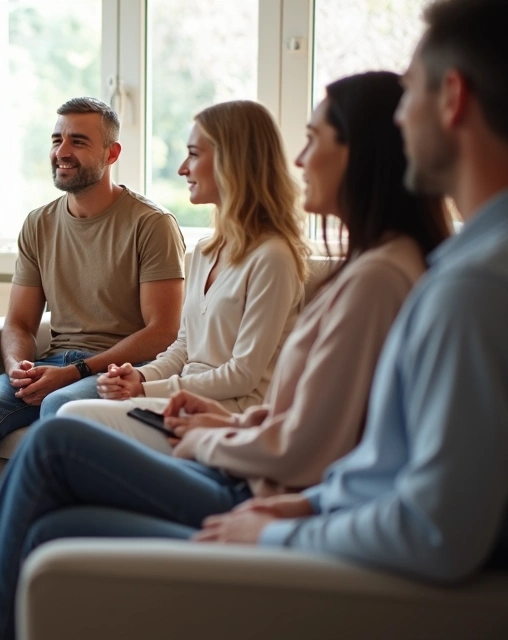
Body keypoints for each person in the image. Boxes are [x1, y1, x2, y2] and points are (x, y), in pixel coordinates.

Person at [0, 69, 454, 640]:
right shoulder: (343, 266)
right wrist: (174, 398)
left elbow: (308, 443)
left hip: (253, 485)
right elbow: (309, 418)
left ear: (360, 154)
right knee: (45, 526)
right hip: (250, 461)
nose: (301, 160)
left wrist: (210, 434)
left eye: (314, 140)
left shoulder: (373, 278)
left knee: (58, 434)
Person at [195, 0, 508, 578]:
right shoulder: (458, 269)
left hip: (355, 576)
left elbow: (436, 529)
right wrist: (314, 503)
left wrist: (283, 534)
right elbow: (390, 467)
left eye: (409, 92)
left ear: (453, 98)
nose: (396, 119)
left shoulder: (469, 289)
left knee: (58, 480)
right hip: (326, 510)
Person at [0, 97, 187, 623]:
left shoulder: (151, 223)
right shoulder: (39, 223)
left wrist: (72, 374)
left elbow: (161, 331)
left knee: (59, 415)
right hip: (56, 361)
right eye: (57, 139)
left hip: (115, 372)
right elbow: (20, 324)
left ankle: (28, 573)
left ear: (112, 152)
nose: (62, 151)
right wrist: (16, 366)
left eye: (78, 140)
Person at [58, 100, 310, 454]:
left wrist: (148, 390)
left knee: (69, 419)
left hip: (229, 416)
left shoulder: (273, 258)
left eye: (193, 154)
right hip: (183, 403)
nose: (182, 169)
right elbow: (184, 347)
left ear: (231, 161)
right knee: (68, 418)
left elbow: (243, 375)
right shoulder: (205, 251)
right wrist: (141, 375)